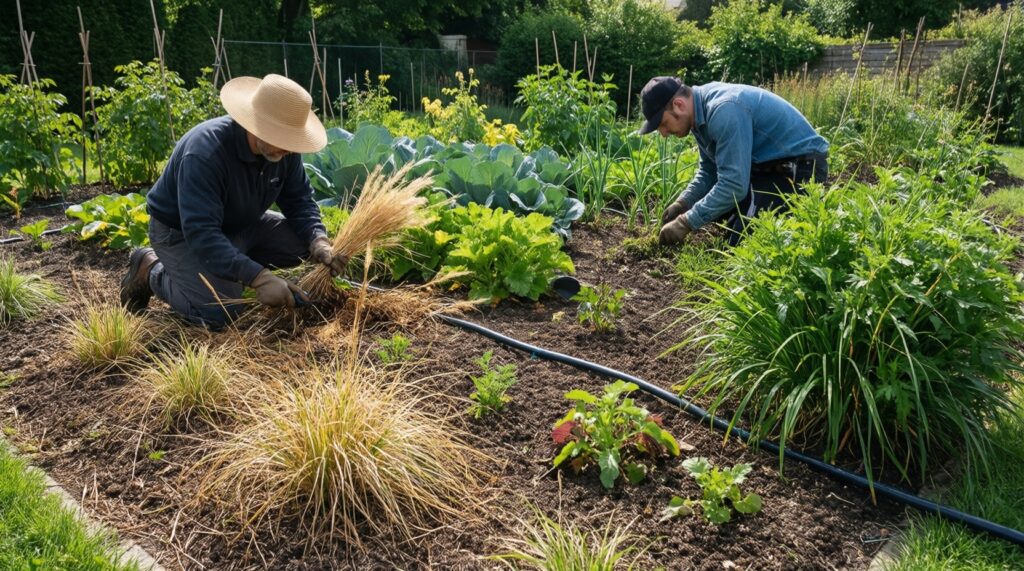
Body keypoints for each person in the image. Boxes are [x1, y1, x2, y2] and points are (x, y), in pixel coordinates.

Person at [118, 73, 347, 329]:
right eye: (281, 137)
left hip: (241, 224)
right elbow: (202, 234)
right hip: (181, 234)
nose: (288, 149)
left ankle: (228, 266)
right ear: (256, 123)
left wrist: (318, 239)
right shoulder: (205, 153)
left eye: (291, 140)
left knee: (304, 247)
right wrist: (258, 278)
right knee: (221, 311)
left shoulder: (284, 152)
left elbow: (299, 200)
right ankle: (151, 270)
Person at [637, 77, 829, 246]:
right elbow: (709, 171)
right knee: (724, 218)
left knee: (744, 244)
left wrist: (685, 223)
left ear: (679, 105)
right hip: (766, 168)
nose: (663, 134)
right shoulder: (698, 115)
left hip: (800, 169)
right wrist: (683, 203)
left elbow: (734, 185)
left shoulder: (723, 110)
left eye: (663, 124)